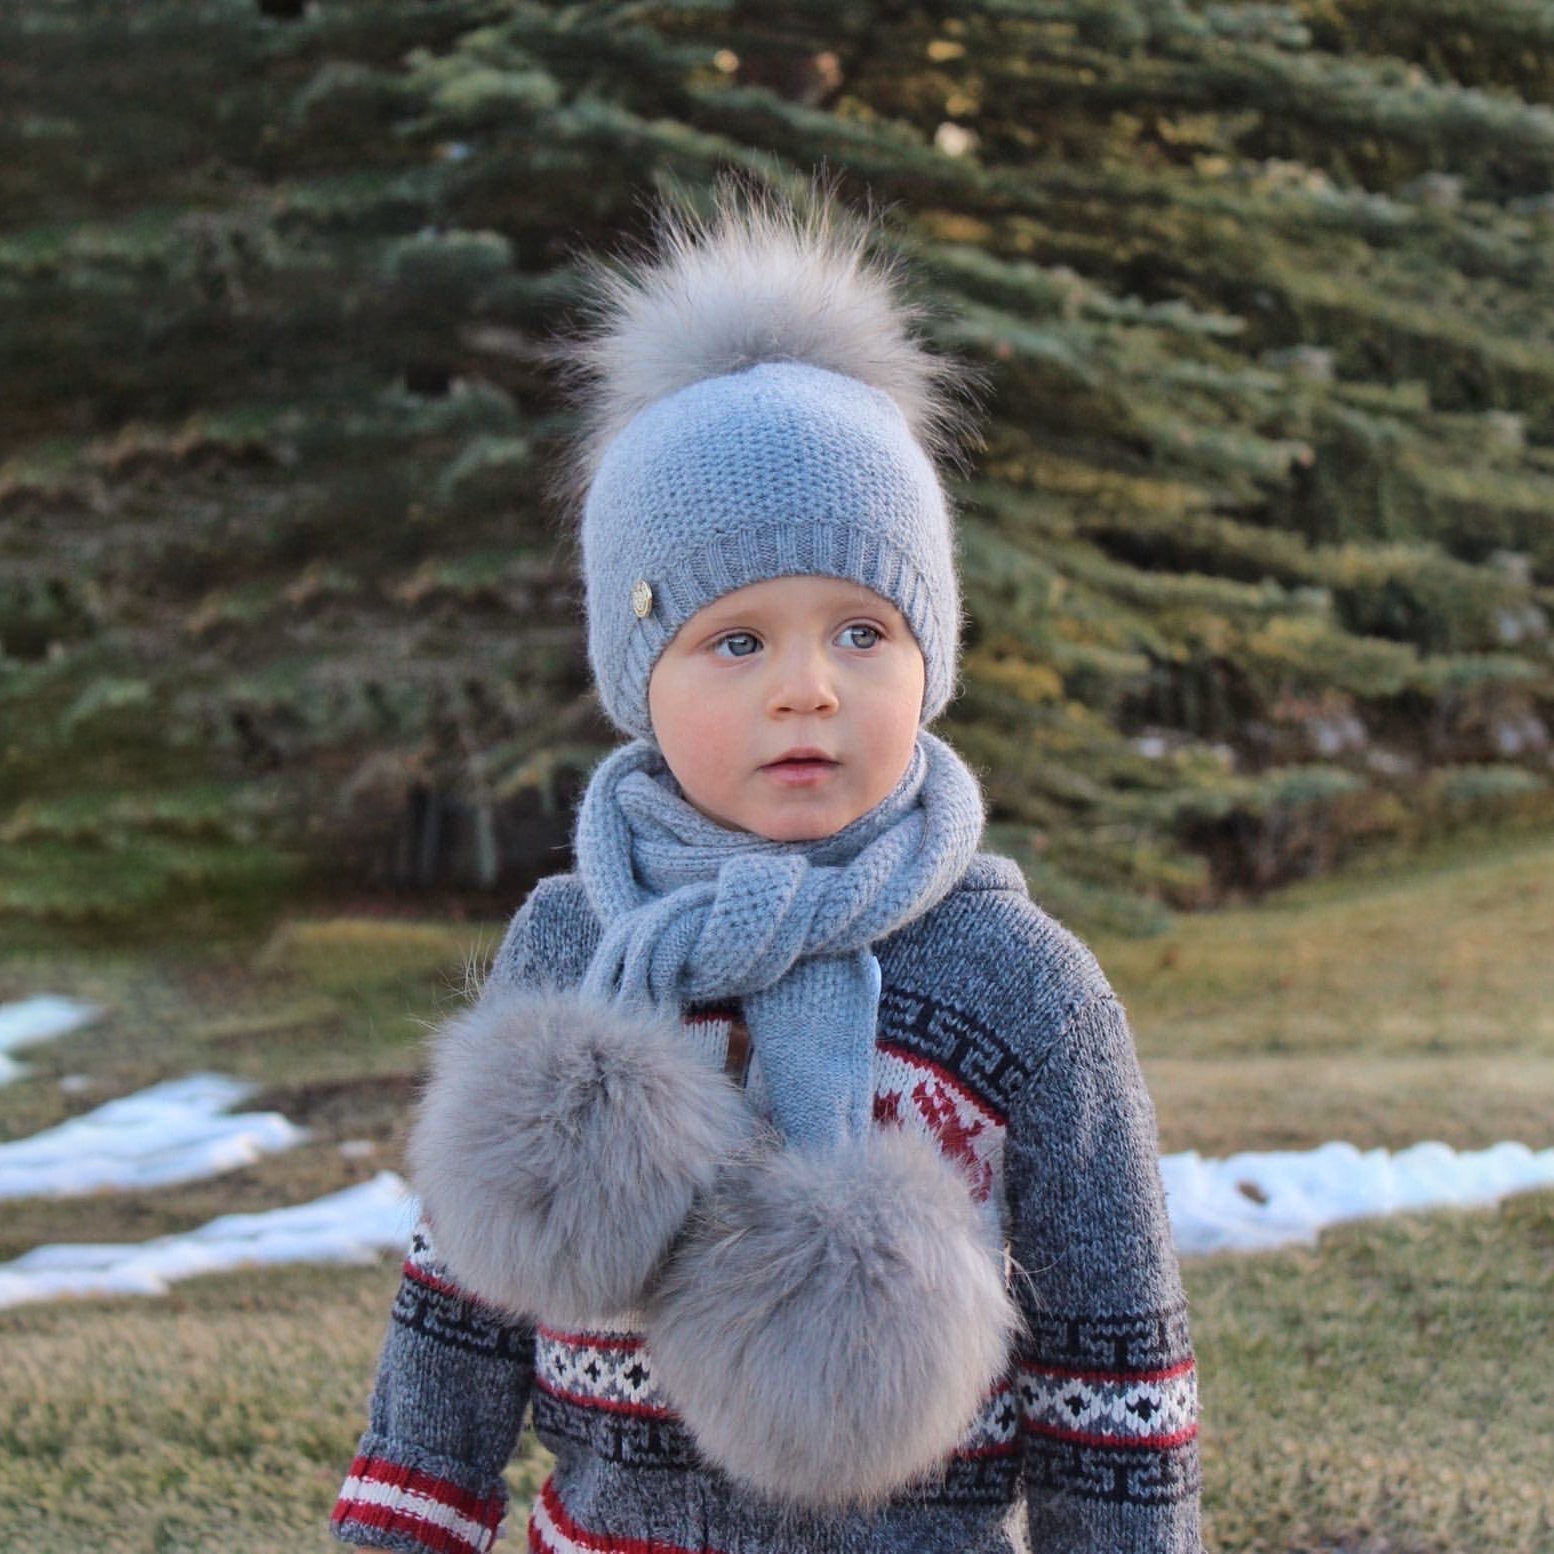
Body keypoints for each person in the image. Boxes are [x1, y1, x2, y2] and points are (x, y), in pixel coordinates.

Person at [331, 171, 1202, 1554]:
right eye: (736, 640)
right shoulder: (571, 951)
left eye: (863, 632)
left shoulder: (1025, 989)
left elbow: (1114, 1390)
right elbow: (452, 1334)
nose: (808, 688)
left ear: (932, 658)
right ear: (639, 676)